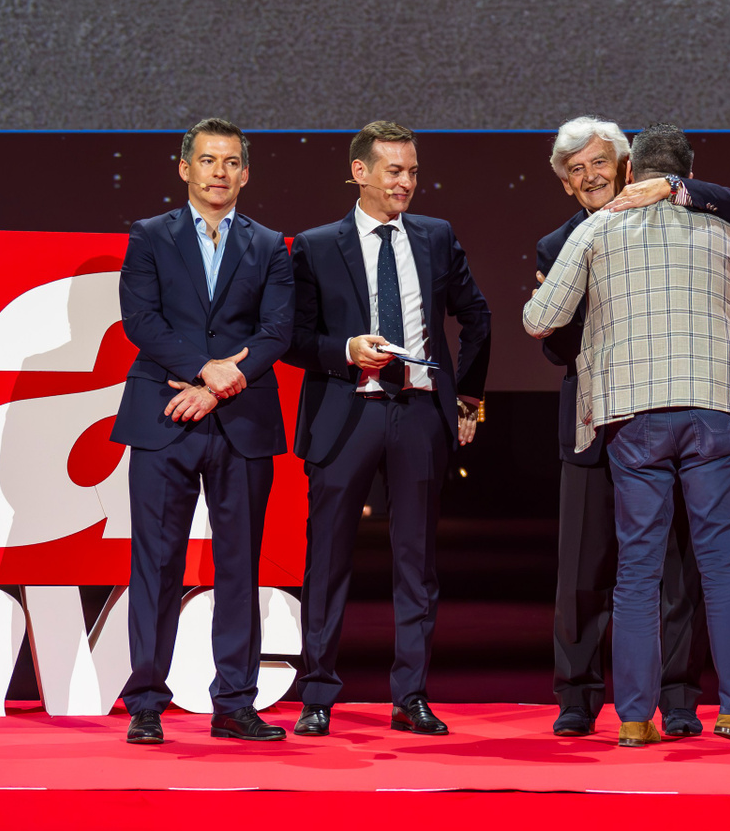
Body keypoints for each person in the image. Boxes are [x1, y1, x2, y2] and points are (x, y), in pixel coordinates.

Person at [523, 123, 730, 751]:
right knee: (723, 567)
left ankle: (635, 719)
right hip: (716, 410)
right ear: (687, 173)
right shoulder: (724, 231)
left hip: (634, 415)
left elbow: (538, 320)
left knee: (637, 569)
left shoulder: (595, 230)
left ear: (629, 169)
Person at [286, 121, 492, 736]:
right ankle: (317, 695)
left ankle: (411, 696)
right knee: (327, 558)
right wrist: (345, 350)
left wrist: (467, 398)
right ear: (360, 172)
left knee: (416, 561)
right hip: (346, 412)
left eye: (413, 172)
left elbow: (477, 316)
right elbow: (293, 338)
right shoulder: (317, 246)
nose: (406, 183)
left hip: (419, 414)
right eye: (394, 171)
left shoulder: (436, 236)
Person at [110, 119, 296, 744]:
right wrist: (201, 369)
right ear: (185, 168)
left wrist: (215, 385)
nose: (220, 172)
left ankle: (235, 703)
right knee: (156, 564)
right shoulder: (150, 235)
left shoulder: (269, 245)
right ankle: (145, 703)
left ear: (246, 173)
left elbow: (277, 331)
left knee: (239, 565)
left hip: (240, 420)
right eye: (209, 160)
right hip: (164, 417)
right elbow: (140, 319)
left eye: (232, 161)